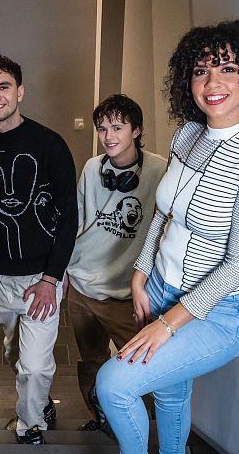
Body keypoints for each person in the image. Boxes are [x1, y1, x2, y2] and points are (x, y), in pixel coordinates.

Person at [95, 19, 239, 453]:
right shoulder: (187, 134)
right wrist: (141, 271)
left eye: (226, 68)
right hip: (161, 288)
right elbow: (164, 214)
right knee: (169, 393)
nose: (212, 82)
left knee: (113, 385)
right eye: (201, 70)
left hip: (218, 311)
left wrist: (168, 324)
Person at [0, 55, 77, 445]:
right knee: (15, 353)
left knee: (35, 364)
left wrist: (51, 278)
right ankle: (39, 404)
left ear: (20, 91)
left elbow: (69, 218)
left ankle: (30, 427)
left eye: (4, 87)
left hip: (41, 277)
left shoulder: (50, 145)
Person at [65, 94, 166, 432]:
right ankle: (100, 418)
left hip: (126, 294)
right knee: (91, 360)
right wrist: (63, 271)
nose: (108, 136)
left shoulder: (159, 170)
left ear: (136, 130)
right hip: (81, 286)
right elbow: (75, 221)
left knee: (141, 368)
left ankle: (141, 429)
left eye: (117, 127)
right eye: (102, 128)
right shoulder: (93, 168)